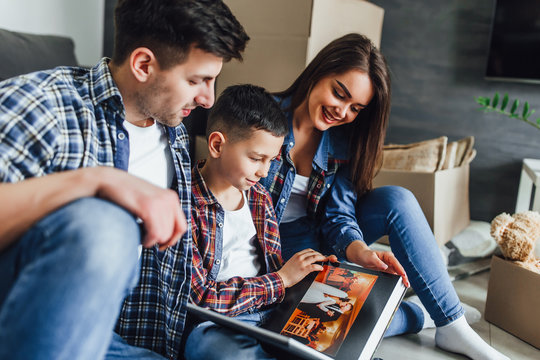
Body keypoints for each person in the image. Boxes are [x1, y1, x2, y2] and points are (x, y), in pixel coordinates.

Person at [0, 1, 248, 359]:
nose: (209, 99)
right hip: (30, 322)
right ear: (143, 65)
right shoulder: (43, 104)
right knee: (107, 224)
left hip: (118, 341)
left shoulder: (170, 125)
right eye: (197, 80)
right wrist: (94, 181)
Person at [259, 33, 510, 360]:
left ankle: (453, 325)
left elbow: (339, 215)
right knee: (304, 331)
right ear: (319, 71)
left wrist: (360, 250)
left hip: (322, 240)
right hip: (274, 251)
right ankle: (418, 315)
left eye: (356, 108)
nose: (342, 112)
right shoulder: (261, 116)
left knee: (397, 200)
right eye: (339, 93)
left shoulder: (343, 141)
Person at [184, 84, 333, 360]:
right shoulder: (186, 204)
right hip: (220, 324)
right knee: (207, 348)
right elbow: (201, 300)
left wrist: (311, 273)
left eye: (272, 160)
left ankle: (413, 314)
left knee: (348, 318)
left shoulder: (259, 198)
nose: (264, 171)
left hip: (270, 311)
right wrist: (280, 280)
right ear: (217, 145)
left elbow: (275, 267)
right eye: (256, 158)